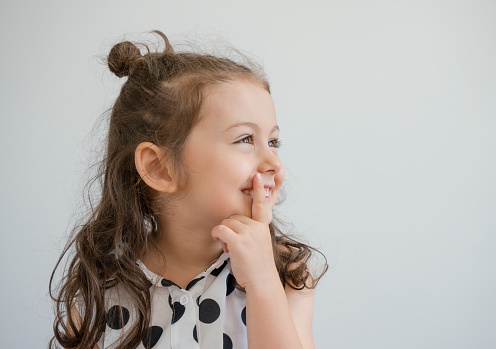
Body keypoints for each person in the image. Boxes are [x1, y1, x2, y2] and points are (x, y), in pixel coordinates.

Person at [49, 30, 327, 349]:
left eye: (273, 142)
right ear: (159, 168)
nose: (274, 164)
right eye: (245, 139)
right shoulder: (98, 295)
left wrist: (263, 280)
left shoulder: (286, 274)